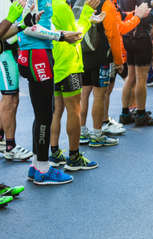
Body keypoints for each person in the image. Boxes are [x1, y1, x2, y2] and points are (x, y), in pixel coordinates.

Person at [15, 0, 83, 185]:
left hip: (37, 52)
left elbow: (42, 22)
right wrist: (60, 35)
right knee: (45, 114)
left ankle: (37, 164)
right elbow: (27, 26)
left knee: (43, 113)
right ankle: (44, 169)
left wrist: (61, 32)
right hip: (36, 54)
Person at [82, 0, 148, 144]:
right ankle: (97, 134)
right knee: (99, 95)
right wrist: (118, 61)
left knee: (84, 94)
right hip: (101, 55)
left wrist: (134, 14)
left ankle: (82, 131)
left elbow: (117, 20)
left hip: (84, 52)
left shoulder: (88, 2)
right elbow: (114, 34)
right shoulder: (107, 5)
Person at [48, 0, 100, 170]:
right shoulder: (61, 6)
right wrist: (86, 13)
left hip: (55, 64)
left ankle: (54, 153)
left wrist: (88, 19)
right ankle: (74, 157)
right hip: (69, 65)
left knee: (57, 111)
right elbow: (76, 35)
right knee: (74, 110)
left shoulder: (46, 5)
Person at [120, 0, 153, 127]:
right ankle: (141, 114)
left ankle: (125, 113)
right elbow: (145, 18)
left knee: (131, 76)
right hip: (140, 36)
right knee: (141, 78)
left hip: (127, 36)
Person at [0, 0, 33, 161]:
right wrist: (17, 22)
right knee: (10, 98)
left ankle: (2, 140)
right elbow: (1, 32)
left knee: (13, 97)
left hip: (9, 51)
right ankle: (10, 147)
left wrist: (23, 24)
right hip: (3, 53)